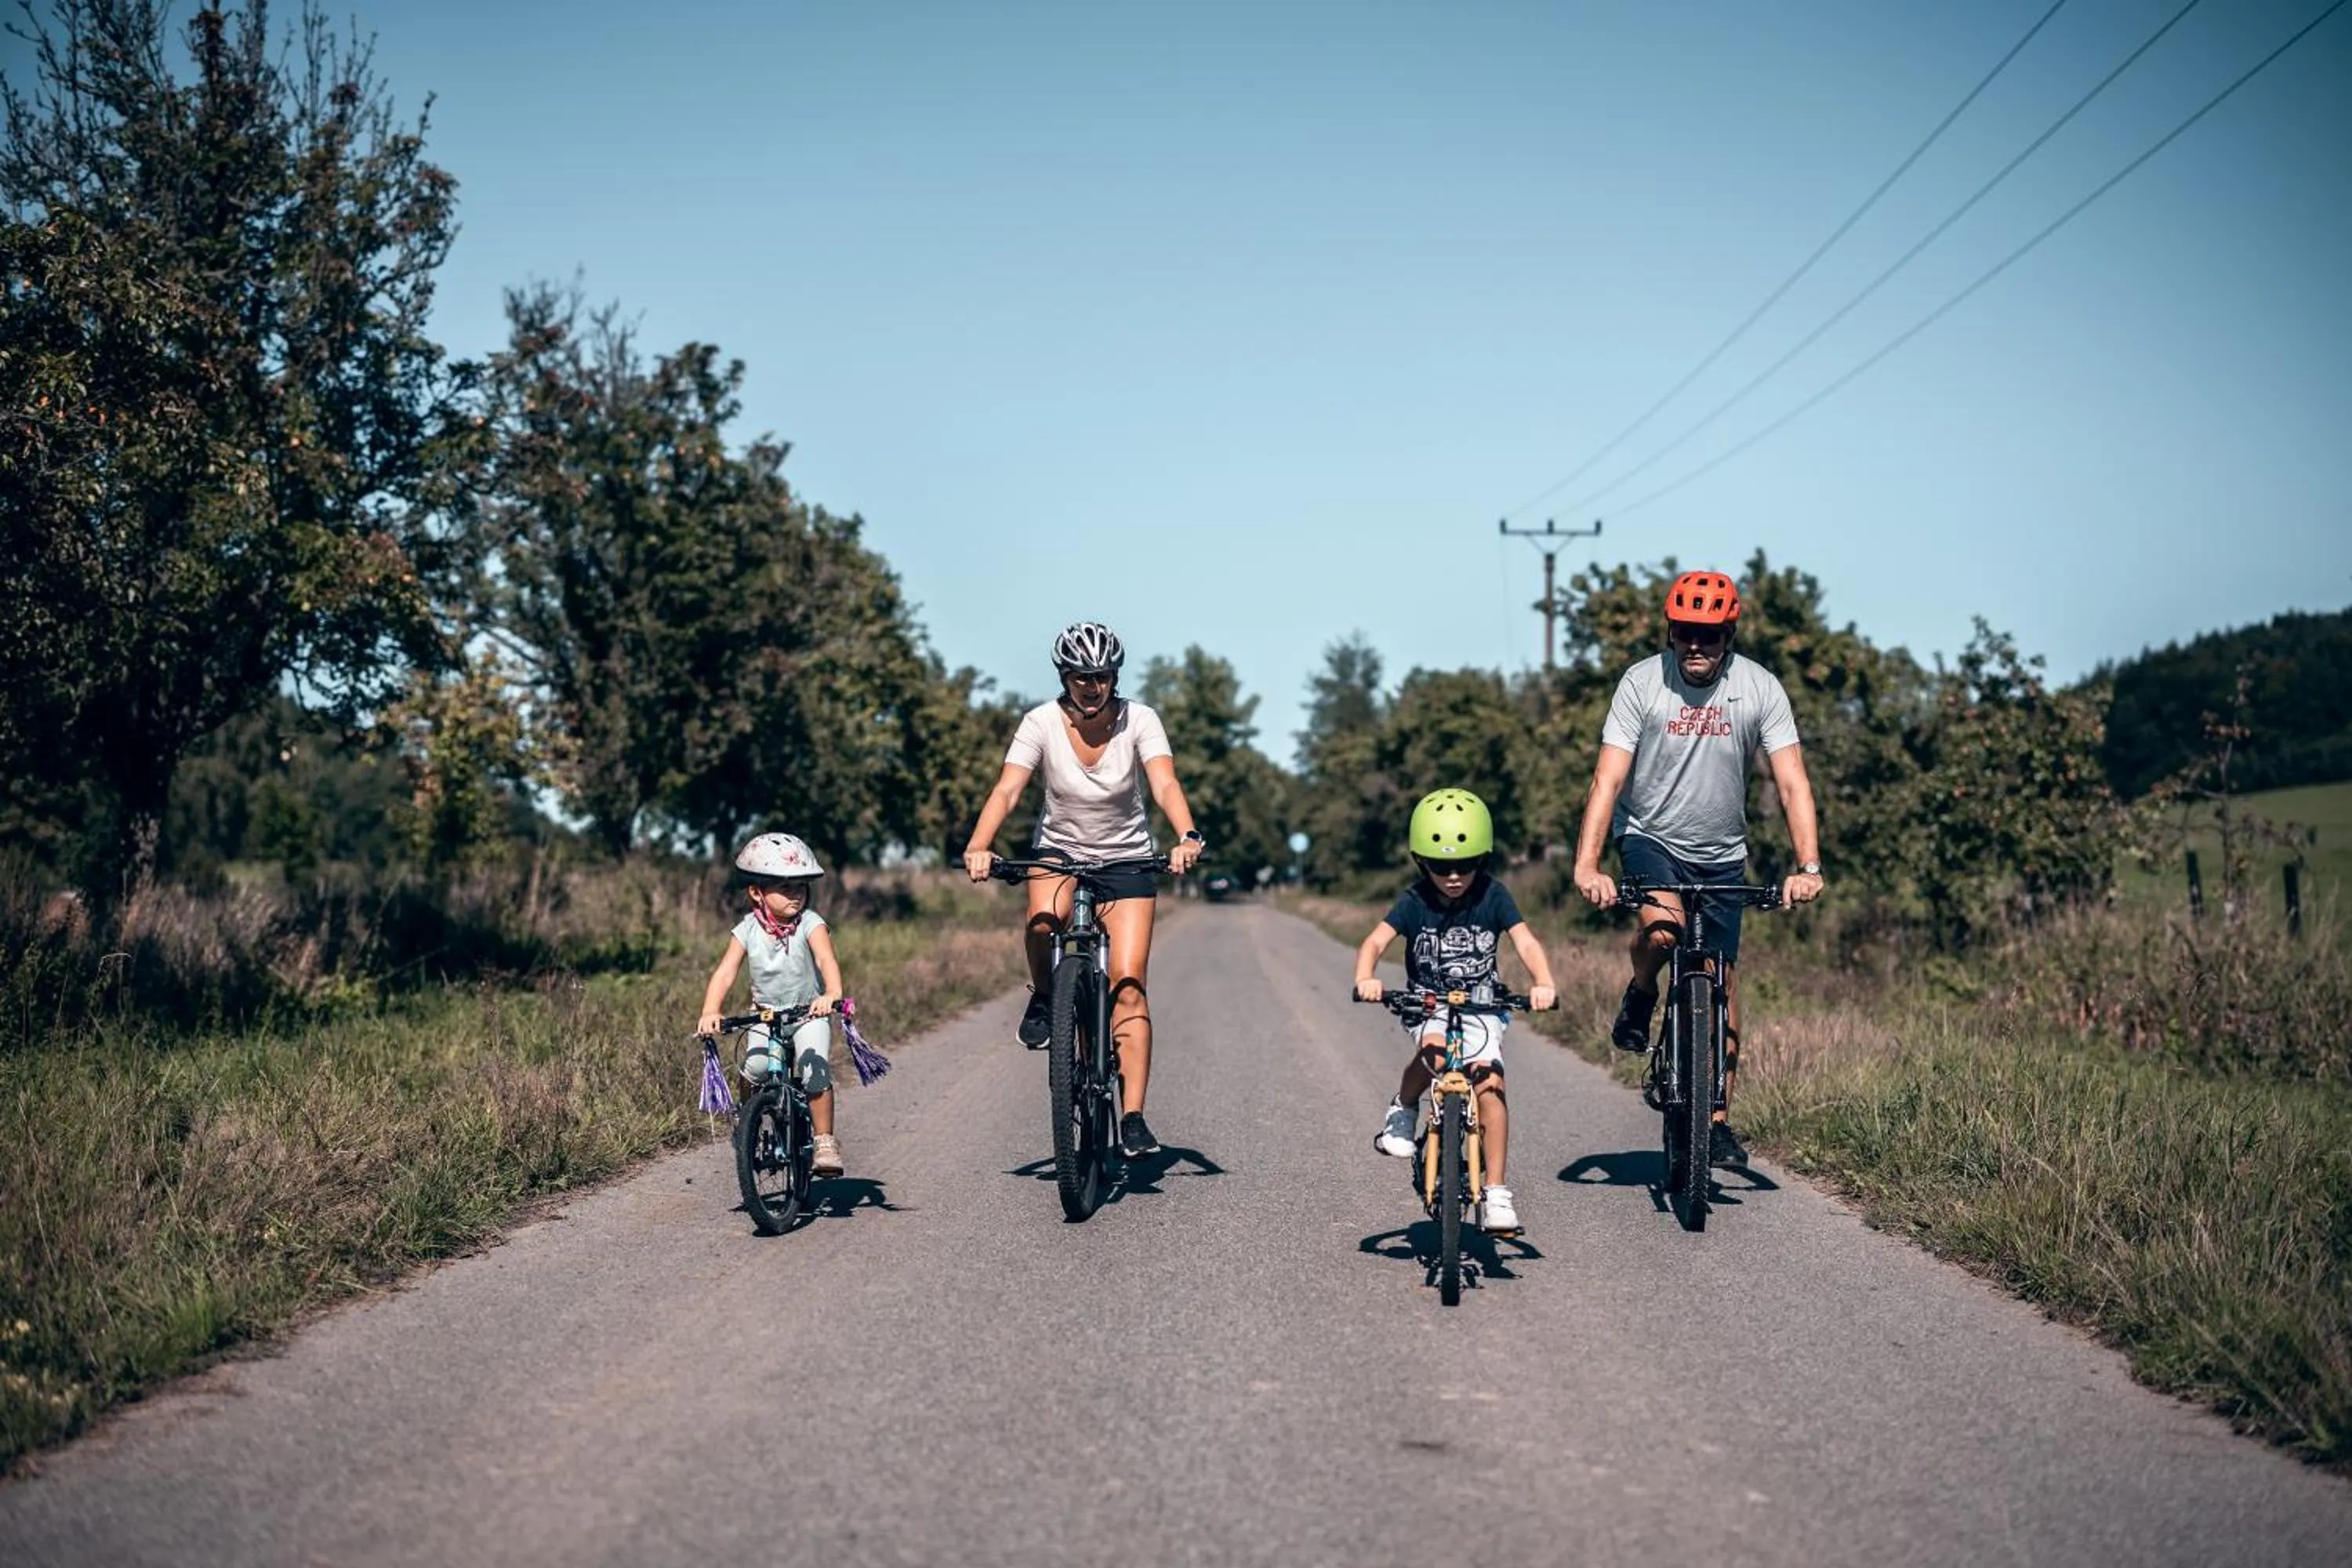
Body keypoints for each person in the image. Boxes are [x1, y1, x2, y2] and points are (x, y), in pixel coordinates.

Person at [1569, 569, 1825, 1168]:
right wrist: (1588, 864)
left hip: (1723, 853)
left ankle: (1717, 1121)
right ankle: (1640, 992)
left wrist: (1807, 865)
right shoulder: (1641, 683)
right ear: (1670, 630)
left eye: (1709, 635)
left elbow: (1792, 784)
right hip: (1653, 837)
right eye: (1685, 632)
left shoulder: (1760, 688)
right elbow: (1608, 780)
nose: (1695, 645)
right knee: (1664, 929)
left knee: (1725, 981)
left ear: (1728, 637)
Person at [962, 621, 1206, 1159]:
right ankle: (1047, 997)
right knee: (1041, 923)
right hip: (1060, 853)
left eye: (1100, 675)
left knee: (1128, 982)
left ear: (1114, 676)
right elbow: (1007, 789)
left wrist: (1186, 835)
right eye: (1080, 676)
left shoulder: (1140, 720)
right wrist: (980, 844)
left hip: (1128, 859)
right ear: (1064, 677)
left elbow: (1164, 782)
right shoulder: (1039, 723)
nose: (1091, 685)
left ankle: (1135, 1114)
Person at [1352, 788, 1559, 1236]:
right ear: (1420, 861)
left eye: (1464, 865)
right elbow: (1373, 942)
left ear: (1482, 860)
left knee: (1491, 1082)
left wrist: (1543, 982)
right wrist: (1366, 975)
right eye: (1440, 865)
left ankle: (1498, 1192)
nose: (1453, 876)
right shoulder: (1414, 901)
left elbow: (1524, 941)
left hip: (1484, 1003)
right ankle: (1404, 1108)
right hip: (1427, 1003)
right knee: (1436, 1051)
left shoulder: (1494, 896)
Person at [697, 832, 848, 1175]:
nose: (796, 894)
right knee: (756, 1069)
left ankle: (824, 1141)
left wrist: (831, 995)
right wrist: (711, 1010)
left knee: (815, 1072)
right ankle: (748, 1118)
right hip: (765, 1016)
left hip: (809, 1013)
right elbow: (725, 973)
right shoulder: (747, 930)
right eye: (784, 887)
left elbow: (826, 961)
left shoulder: (811, 923)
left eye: (801, 886)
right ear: (756, 892)